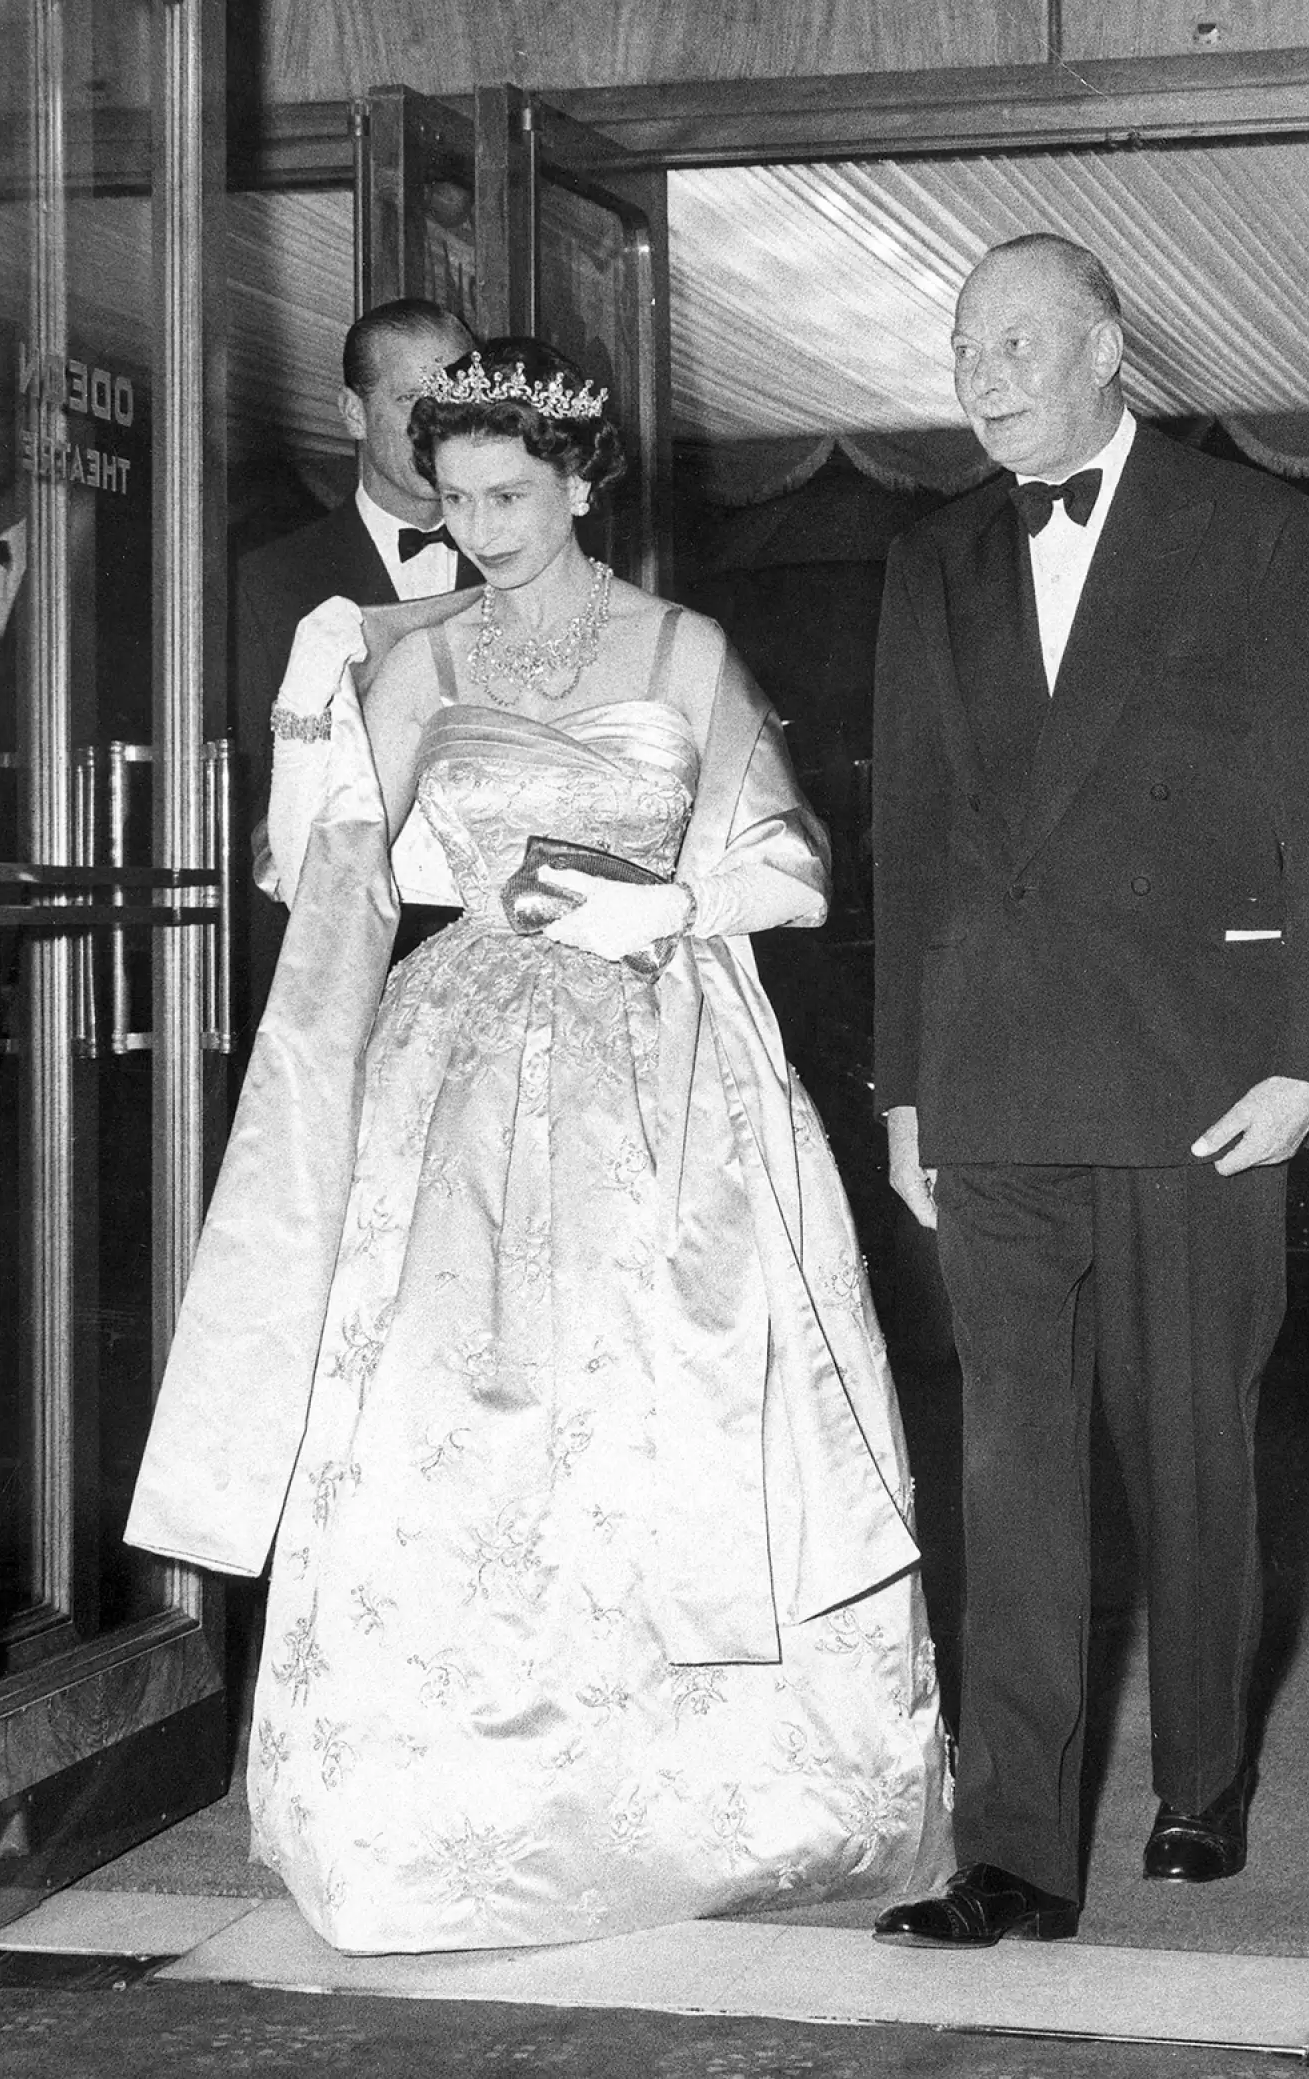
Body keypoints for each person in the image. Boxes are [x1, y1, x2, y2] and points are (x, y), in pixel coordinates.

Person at [125, 337, 950, 1954]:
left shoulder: (680, 643)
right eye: (453, 500)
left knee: (655, 1409)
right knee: (445, 1420)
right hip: (456, 1063)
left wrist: (680, 899)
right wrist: (315, 731)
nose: (481, 527)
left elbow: (793, 861)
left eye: (509, 493)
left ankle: (714, 1796)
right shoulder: (415, 658)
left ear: (581, 485)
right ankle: (439, 1819)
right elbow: (332, 887)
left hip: (659, 1056)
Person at [869, 234, 1309, 1947]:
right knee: (1011, 1474)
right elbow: (912, 838)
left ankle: (1200, 1782)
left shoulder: (1255, 525)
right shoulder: (932, 556)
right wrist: (906, 1090)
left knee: (1194, 1456)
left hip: (1201, 1079)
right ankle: (1011, 1847)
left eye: (1017, 339)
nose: (985, 371)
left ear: (1108, 345)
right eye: (964, 347)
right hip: (997, 1082)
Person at [234, 297, 479, 1034]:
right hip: (347, 983)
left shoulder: (525, 569)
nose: (440, 422)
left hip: (492, 980)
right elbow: (258, 813)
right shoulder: (270, 580)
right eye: (412, 400)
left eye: (457, 397)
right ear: (351, 412)